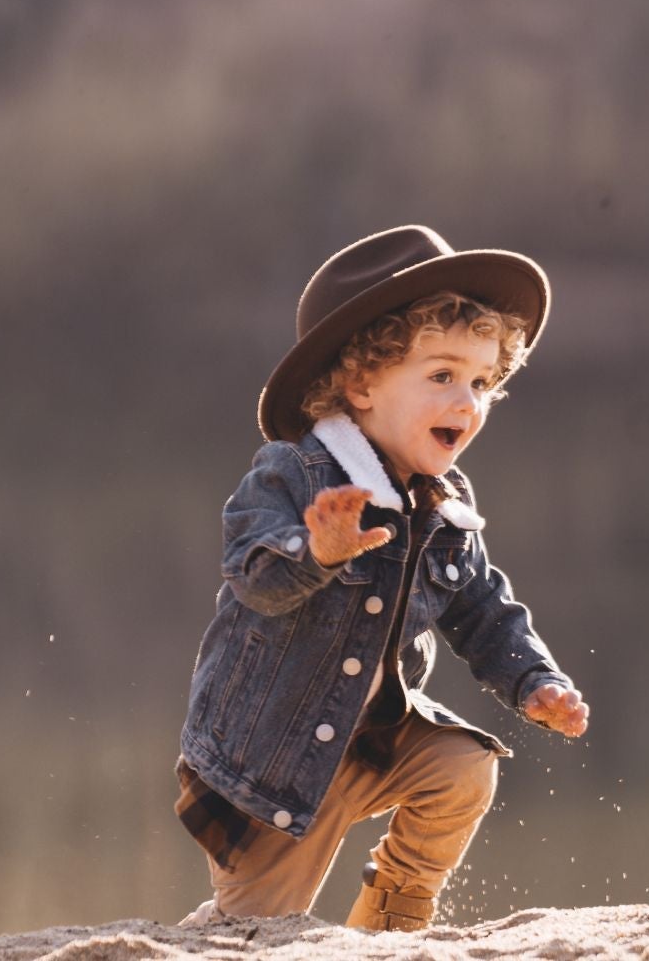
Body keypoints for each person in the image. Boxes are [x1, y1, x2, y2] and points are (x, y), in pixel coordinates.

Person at [175, 225, 590, 933]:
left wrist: (534, 681)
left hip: (371, 743)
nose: (467, 401)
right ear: (361, 385)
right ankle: (210, 930)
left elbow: (485, 611)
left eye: (482, 381)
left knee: (464, 768)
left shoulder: (443, 503)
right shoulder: (293, 473)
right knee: (258, 934)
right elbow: (254, 577)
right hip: (268, 768)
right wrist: (320, 551)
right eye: (441, 376)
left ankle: (391, 923)